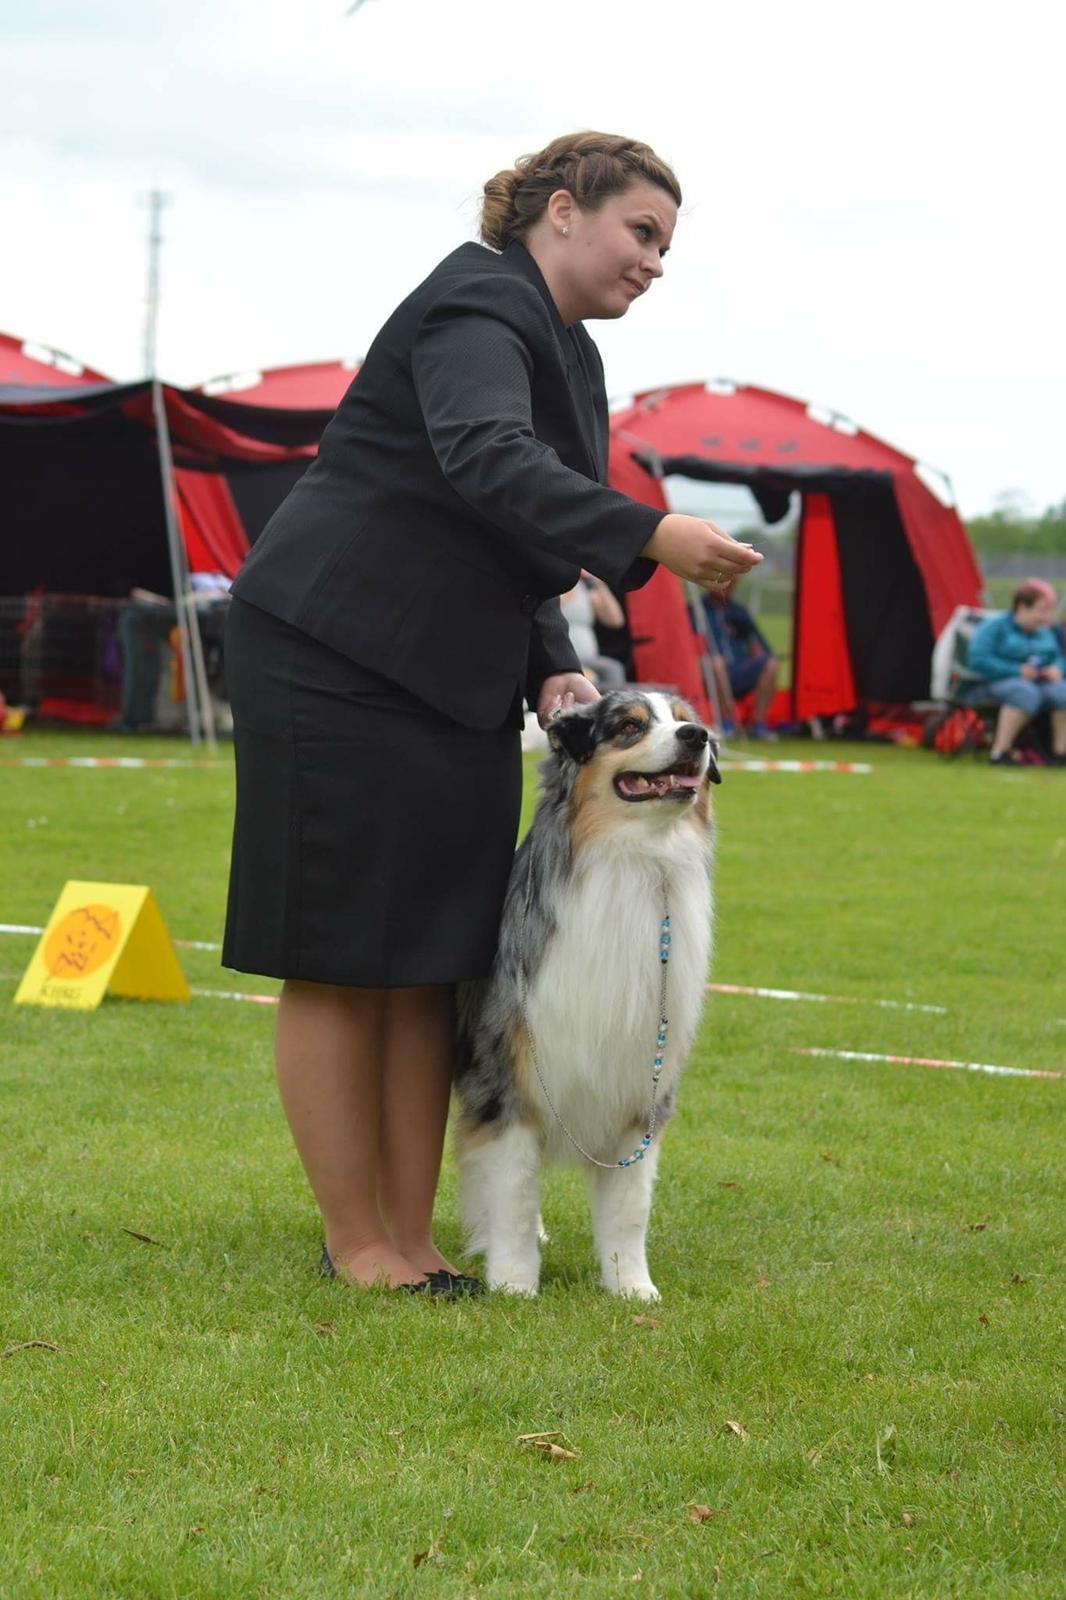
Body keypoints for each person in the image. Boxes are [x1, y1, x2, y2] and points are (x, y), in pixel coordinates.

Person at [221, 131, 762, 1296]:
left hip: (449, 675)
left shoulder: (571, 354)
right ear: (561, 211)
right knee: (335, 960)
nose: (654, 262)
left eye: (666, 245)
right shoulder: (479, 302)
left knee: (432, 959)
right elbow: (482, 458)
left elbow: (512, 537)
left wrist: (553, 665)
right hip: (333, 649)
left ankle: (411, 1241)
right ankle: (358, 1239)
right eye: (641, 232)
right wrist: (649, 530)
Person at [966, 579, 1066, 766]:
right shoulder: (994, 627)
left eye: (1046, 610)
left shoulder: (1044, 632)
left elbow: (1057, 658)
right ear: (1021, 607)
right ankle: (1000, 752)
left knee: (1063, 692)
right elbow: (978, 660)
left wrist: (1057, 669)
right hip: (991, 684)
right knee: (1024, 692)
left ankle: (1060, 754)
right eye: (1039, 610)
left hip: (1038, 683)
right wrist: (1016, 670)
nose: (1044, 616)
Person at [702, 579, 779, 738]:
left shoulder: (739, 612)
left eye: (731, 582)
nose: (727, 586)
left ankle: (757, 724)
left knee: (771, 663)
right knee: (717, 662)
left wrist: (756, 652)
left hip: (738, 669)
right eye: (722, 581)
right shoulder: (697, 610)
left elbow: (758, 646)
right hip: (707, 672)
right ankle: (725, 721)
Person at [560, 569, 626, 684]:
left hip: (589, 659)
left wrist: (599, 583)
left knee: (613, 668)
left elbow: (615, 621)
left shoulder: (585, 588)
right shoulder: (552, 584)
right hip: (561, 658)